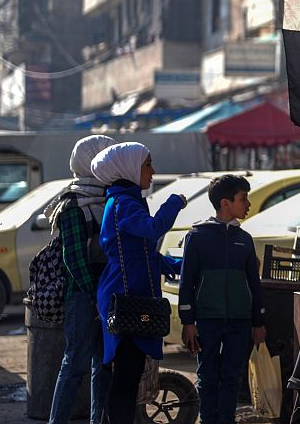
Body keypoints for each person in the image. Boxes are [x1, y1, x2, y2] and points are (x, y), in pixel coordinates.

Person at [92, 142, 186, 424]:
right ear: (129, 168)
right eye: (147, 165)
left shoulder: (126, 201)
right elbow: (153, 229)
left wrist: (181, 266)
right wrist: (174, 203)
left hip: (130, 295)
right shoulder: (123, 204)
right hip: (126, 299)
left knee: (127, 377)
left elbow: (144, 254)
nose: (153, 172)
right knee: (125, 378)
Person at [179, 175, 267, 424]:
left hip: (239, 320)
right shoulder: (197, 236)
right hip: (207, 319)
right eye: (243, 198)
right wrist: (188, 321)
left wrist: (258, 322)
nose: (248, 204)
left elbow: (254, 284)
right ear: (225, 203)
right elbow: (187, 282)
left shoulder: (245, 239)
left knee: (232, 377)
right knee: (207, 376)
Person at [48, 135, 117, 424]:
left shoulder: (112, 198)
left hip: (107, 296)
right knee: (75, 364)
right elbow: (73, 258)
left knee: (103, 366)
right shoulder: (72, 204)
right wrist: (94, 296)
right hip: (84, 295)